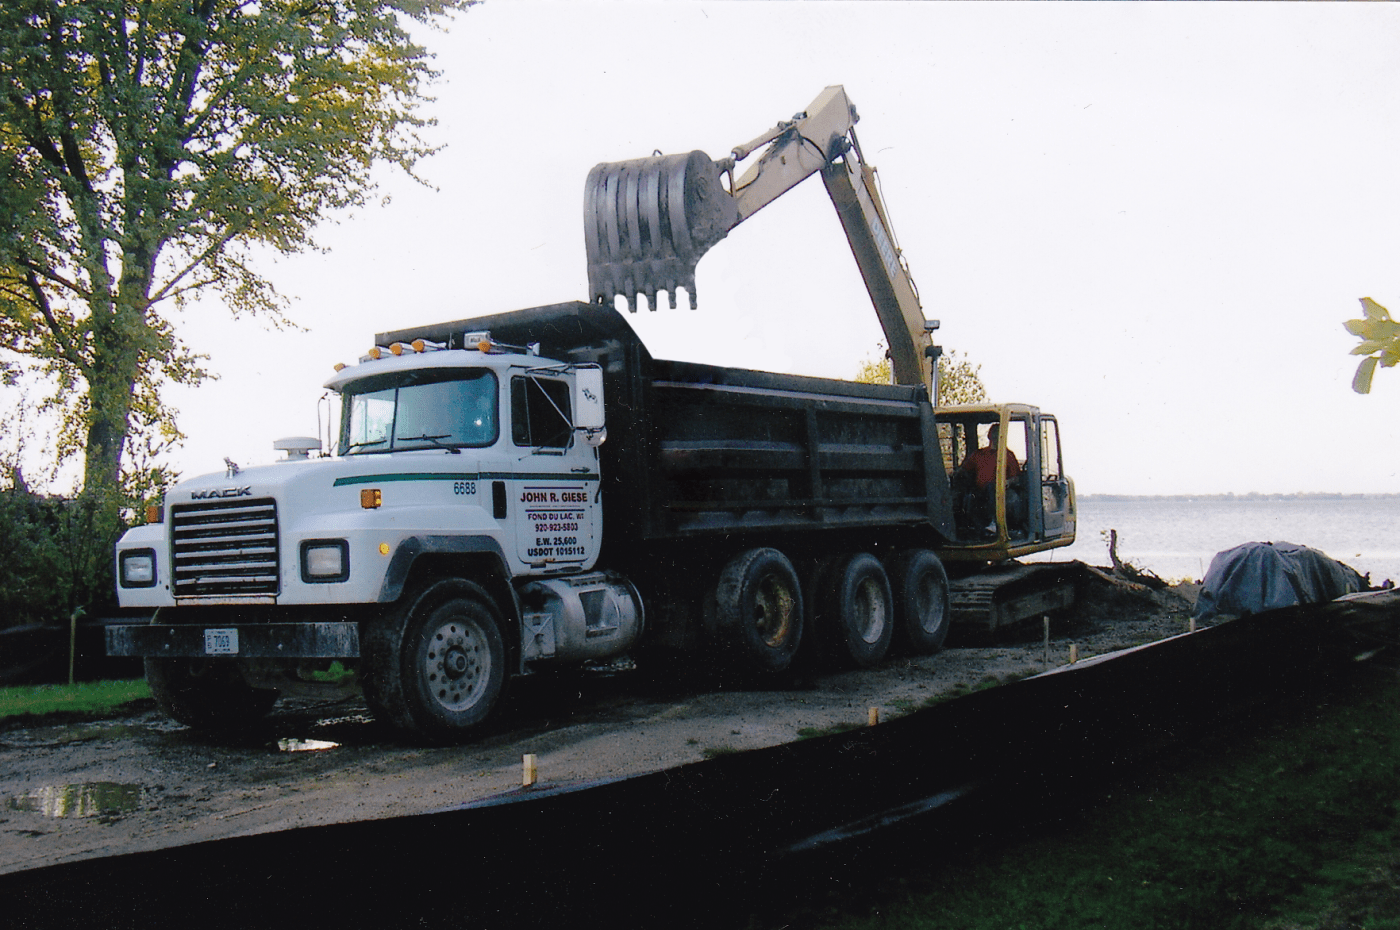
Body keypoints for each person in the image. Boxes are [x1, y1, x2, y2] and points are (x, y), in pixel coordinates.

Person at [959, 423, 1022, 531]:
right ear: (989, 436)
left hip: (1000, 492)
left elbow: (1016, 477)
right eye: (994, 434)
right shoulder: (979, 454)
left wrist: (1008, 482)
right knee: (968, 496)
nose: (996, 437)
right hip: (980, 491)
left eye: (999, 435)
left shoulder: (1008, 455)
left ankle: (993, 522)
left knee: (991, 487)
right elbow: (964, 469)